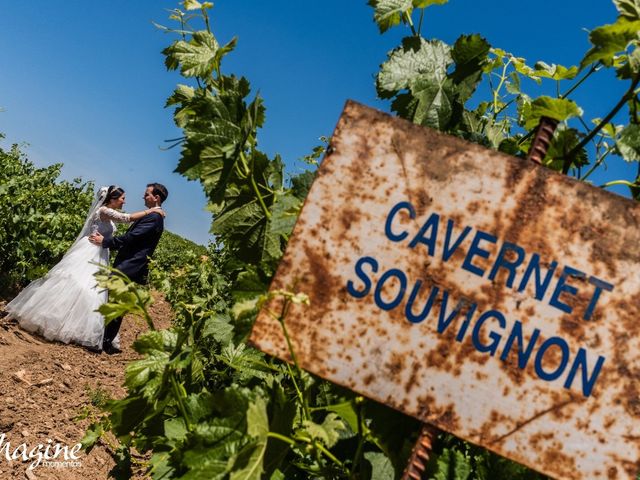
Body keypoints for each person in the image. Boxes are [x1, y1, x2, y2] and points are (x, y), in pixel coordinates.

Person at [5, 185, 164, 351]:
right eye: (122, 198)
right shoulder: (104, 211)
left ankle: (83, 329)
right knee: (82, 286)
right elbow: (127, 218)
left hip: (101, 252)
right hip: (91, 250)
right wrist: (153, 211)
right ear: (112, 199)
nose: (125, 200)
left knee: (92, 290)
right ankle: (60, 322)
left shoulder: (111, 213)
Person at [89, 183, 167, 354]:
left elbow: (132, 238)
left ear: (156, 198)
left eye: (147, 194)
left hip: (130, 265)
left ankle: (105, 342)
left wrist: (106, 242)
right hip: (129, 263)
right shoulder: (153, 215)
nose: (143, 197)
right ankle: (103, 339)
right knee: (114, 301)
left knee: (116, 302)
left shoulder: (154, 218)